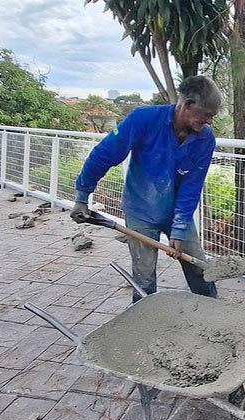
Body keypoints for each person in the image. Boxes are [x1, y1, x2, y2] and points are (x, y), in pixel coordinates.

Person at [71, 76, 221, 302]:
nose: (209, 121)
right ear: (188, 104)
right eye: (207, 114)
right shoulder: (144, 120)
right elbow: (104, 155)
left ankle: (213, 311)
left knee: (200, 268)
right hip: (140, 211)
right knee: (144, 277)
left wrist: (180, 229)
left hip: (177, 212)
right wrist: (82, 196)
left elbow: (192, 186)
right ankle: (142, 318)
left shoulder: (205, 139)